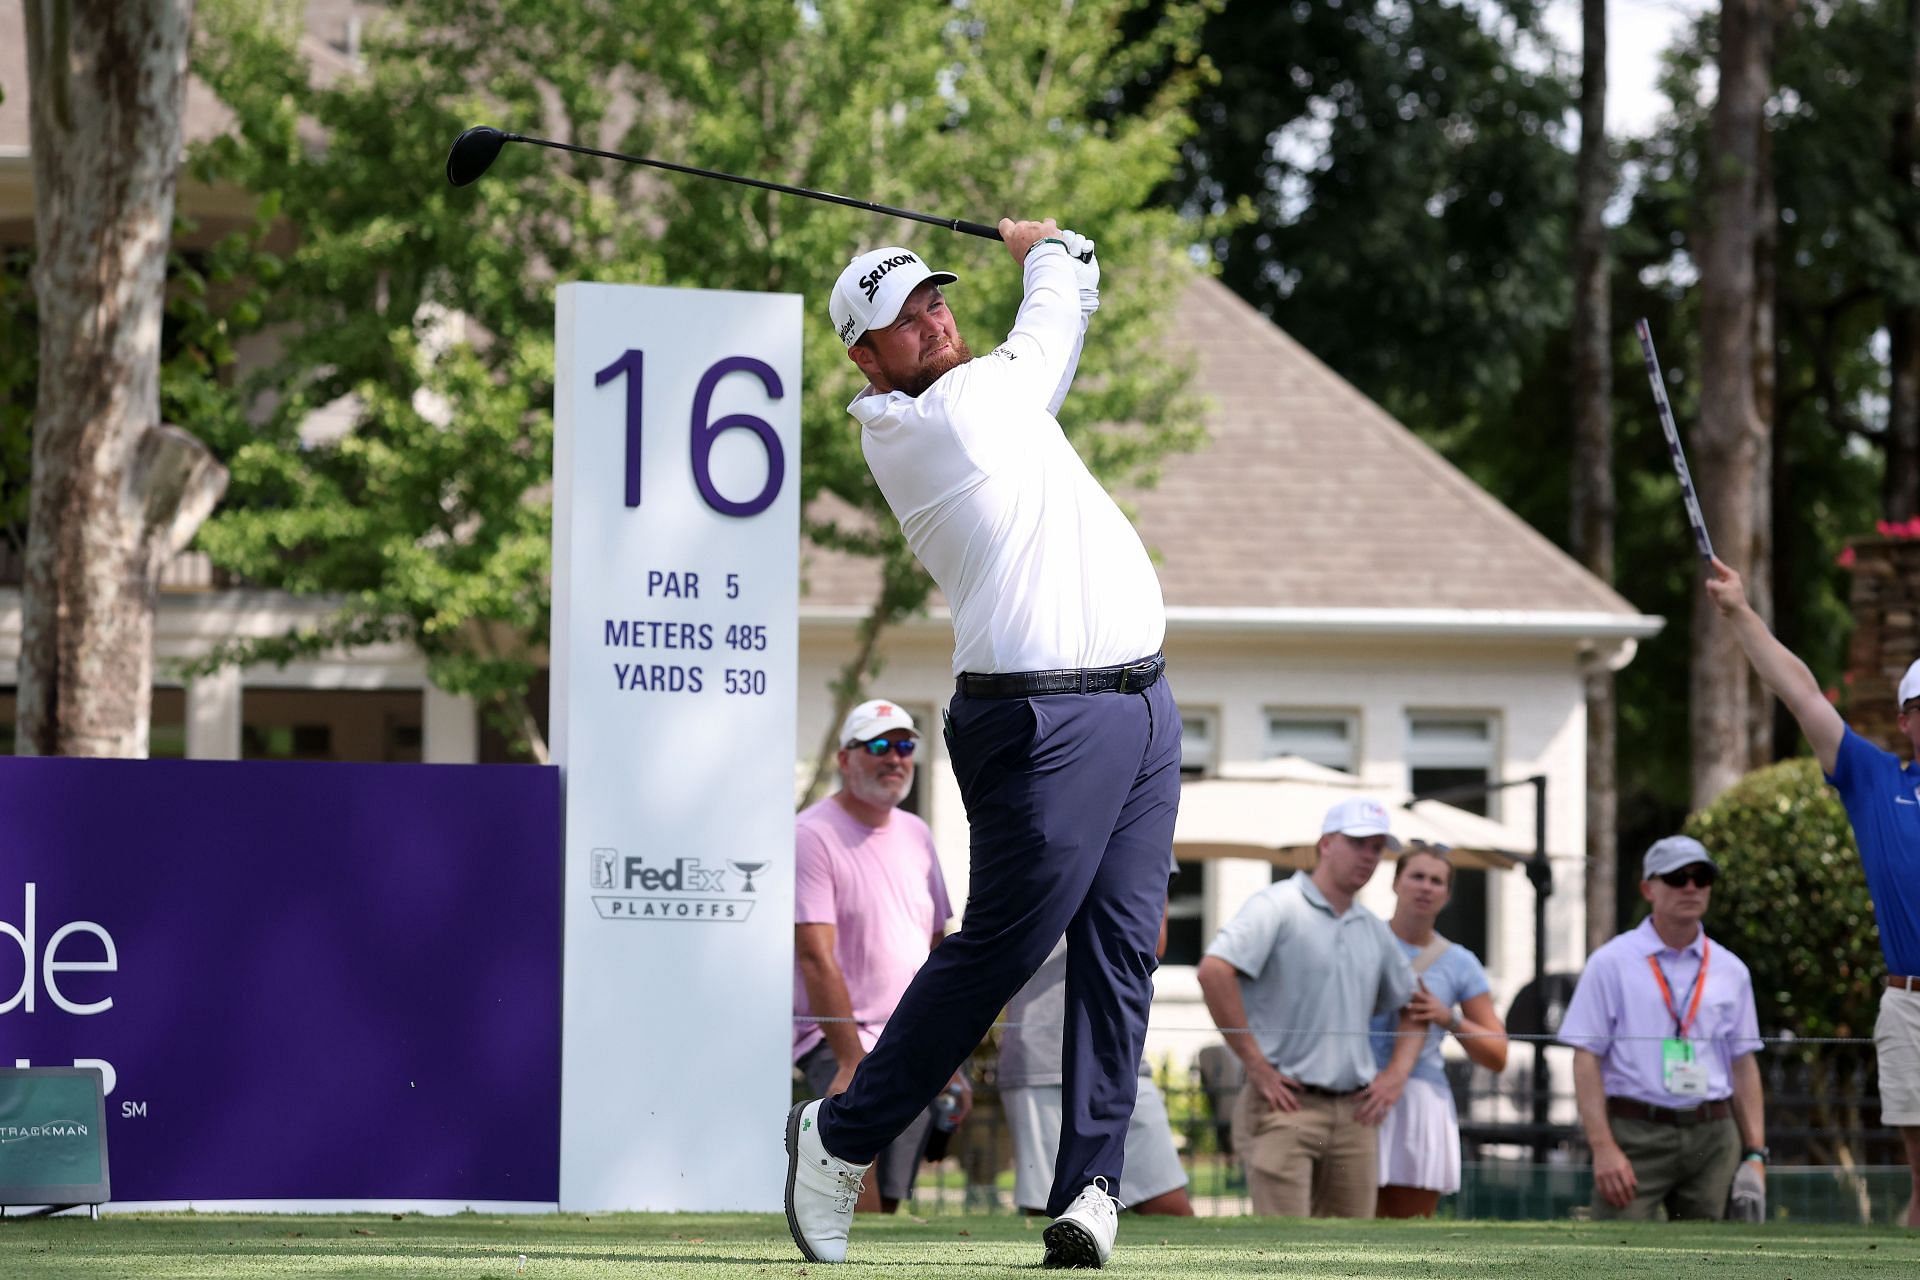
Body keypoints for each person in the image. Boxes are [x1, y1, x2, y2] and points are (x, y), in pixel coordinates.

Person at [784, 220, 1182, 1270]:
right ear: (866, 358)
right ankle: (841, 1134)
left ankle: (1091, 1187)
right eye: (903, 321)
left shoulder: (983, 400)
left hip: (1142, 704)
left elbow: (1063, 323)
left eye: (933, 301)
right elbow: (1054, 323)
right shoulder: (944, 419)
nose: (932, 320)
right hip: (1042, 717)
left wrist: (1071, 265)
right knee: (1003, 946)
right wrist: (1048, 249)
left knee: (1121, 947)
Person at [1707, 556, 1920, 1226]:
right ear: (1905, 720)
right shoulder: (1873, 776)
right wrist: (1741, 614)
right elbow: (1800, 692)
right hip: (1909, 1002)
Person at [1195, 798, 1424, 1218]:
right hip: (1285, 1108)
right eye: (1359, 843)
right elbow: (1213, 971)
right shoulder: (1277, 905)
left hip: (1356, 1116)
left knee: (1351, 1257)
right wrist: (1257, 1066)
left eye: (1377, 847)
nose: (1369, 856)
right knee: (1285, 1253)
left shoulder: (1372, 929)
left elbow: (1417, 1006)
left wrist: (1395, 1077)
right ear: (1326, 844)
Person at [792, 698, 968, 1214]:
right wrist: (849, 1057)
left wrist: (948, 1061)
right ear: (845, 759)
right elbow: (814, 955)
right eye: (878, 745)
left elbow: (940, 952)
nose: (895, 757)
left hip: (910, 1045)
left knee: (888, 1208)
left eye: (905, 745)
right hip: (839, 1044)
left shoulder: (917, 834)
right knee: (853, 1201)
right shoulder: (812, 834)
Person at [1558, 835, 1766, 1220]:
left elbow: (1743, 1063)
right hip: (1635, 1131)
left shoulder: (1731, 970)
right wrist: (1602, 1147)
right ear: (1647, 888)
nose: (1690, 887)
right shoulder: (1611, 962)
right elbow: (1585, 1058)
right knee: (1616, 1256)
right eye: (1675, 877)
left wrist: (1755, 1153)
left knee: (1714, 1262)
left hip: (1713, 1134)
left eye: (1701, 877)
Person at [1001, 922, 1194, 1218]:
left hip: (1119, 1054)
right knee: (1047, 1213)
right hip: (1043, 1056)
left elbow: (1152, 938)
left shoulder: (1150, 872)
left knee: (1168, 1208)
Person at [1368, 845, 1509, 1218]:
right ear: (1396, 882)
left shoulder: (1460, 962)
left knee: (1406, 1234)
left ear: (1447, 895)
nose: (1425, 887)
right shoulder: (1362, 939)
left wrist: (1449, 1018)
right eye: (1417, 876)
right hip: (1359, 1091)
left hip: (1418, 1100)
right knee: (1342, 1226)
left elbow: (1497, 1055)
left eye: (1436, 881)